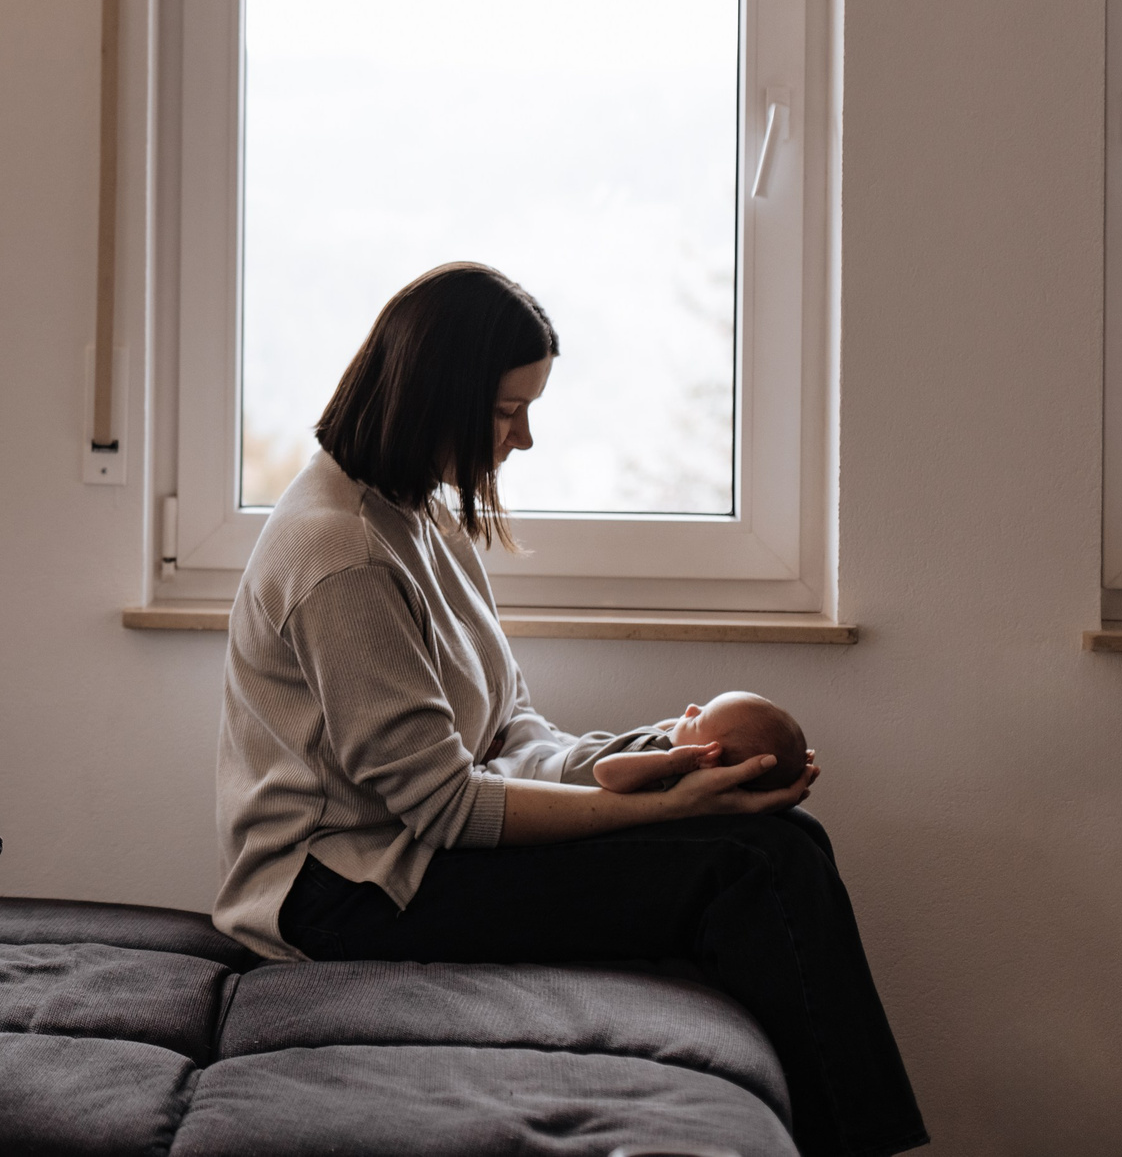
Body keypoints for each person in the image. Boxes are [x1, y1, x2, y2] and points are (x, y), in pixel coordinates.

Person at [214, 262, 925, 1157]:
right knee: (756, 863)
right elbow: (444, 804)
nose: (522, 441)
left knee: (785, 842)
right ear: (437, 393)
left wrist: (657, 754)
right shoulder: (341, 553)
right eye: (508, 413)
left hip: (410, 857)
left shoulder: (418, 517)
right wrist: (661, 811)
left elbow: (509, 727)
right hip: (344, 894)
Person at [595, 691, 813, 795]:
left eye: (698, 720)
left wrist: (672, 762)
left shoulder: (667, 771)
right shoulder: (675, 747)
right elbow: (658, 728)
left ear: (710, 760)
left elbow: (603, 772)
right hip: (582, 747)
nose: (691, 707)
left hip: (564, 773)